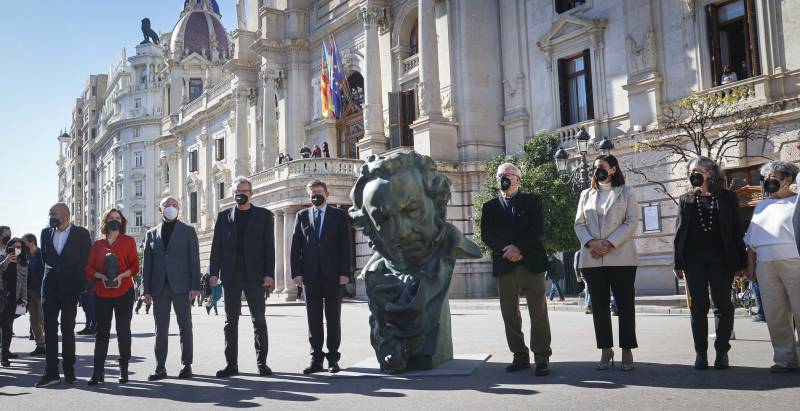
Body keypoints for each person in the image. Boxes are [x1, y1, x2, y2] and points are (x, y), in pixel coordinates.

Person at [673, 156, 747, 370]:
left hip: (721, 259)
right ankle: (701, 354)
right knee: (698, 306)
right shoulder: (686, 199)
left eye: (697, 170)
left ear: (710, 173)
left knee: (723, 304)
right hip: (693, 260)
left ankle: (722, 351)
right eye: (690, 171)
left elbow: (736, 230)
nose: (693, 174)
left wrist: (741, 262)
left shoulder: (727, 198)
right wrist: (677, 262)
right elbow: (680, 232)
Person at [480, 163, 552, 376]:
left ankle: (542, 358)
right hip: (505, 266)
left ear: (518, 180)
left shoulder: (533, 201)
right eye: (500, 175)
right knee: (509, 314)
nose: (503, 178)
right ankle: (519, 356)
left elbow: (537, 230)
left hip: (531, 263)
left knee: (538, 312)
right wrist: (507, 250)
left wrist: (518, 248)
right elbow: (487, 235)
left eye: (508, 175)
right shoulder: (490, 207)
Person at [574, 155, 640, 371]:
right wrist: (592, 243)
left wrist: (609, 244)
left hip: (621, 258)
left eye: (601, 167)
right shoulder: (586, 194)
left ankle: (627, 350)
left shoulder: (627, 192)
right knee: (599, 307)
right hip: (592, 260)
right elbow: (579, 224)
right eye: (594, 168)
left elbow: (631, 223)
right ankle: (605, 349)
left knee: (625, 305)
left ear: (613, 169)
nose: (597, 171)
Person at [209, 176, 275, 378]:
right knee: (231, 322)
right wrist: (213, 272)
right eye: (237, 191)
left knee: (259, 320)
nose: (240, 194)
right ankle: (231, 365)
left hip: (255, 276)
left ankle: (262, 364)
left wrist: (269, 274)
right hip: (231, 276)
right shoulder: (223, 216)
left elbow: (268, 247)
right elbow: (216, 247)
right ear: (233, 194)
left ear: (251, 193)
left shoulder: (264, 216)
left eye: (244, 191)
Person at [743, 161, 800, 373]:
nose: (768, 180)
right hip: (765, 263)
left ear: (788, 179)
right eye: (765, 177)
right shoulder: (761, 205)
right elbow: (751, 242)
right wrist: (751, 267)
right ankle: (785, 360)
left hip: (794, 260)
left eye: (773, 176)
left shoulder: (798, 202)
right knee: (775, 313)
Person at [291, 180, 352, 374]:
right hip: (310, 277)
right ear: (308, 197)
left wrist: (345, 273)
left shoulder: (339, 216)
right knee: (313, 319)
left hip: (334, 276)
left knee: (333, 318)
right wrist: (296, 273)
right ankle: (316, 358)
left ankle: (333, 359)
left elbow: (345, 246)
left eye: (319, 192)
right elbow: (295, 248)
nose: (315, 195)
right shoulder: (301, 216)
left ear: (327, 193)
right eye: (312, 193)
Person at [142, 196, 201, 381]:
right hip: (159, 288)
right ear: (160, 210)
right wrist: (146, 290)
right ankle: (160, 367)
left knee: (185, 326)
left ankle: (186, 365)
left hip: (182, 287)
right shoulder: (151, 233)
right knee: (161, 328)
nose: (171, 207)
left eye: (174, 205)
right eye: (167, 205)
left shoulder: (188, 231)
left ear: (179, 209)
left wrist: (195, 286)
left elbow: (194, 260)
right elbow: (147, 264)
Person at [37, 203, 92, 387]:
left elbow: (86, 260)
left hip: (71, 289)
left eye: (53, 213)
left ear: (65, 215)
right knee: (50, 331)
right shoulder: (45, 233)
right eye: (50, 213)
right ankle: (51, 373)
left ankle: (70, 371)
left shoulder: (82, 234)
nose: (50, 216)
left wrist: (82, 285)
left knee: (68, 330)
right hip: (50, 288)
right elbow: (46, 259)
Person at [85, 208, 139, 385]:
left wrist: (121, 276)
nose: (114, 221)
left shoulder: (128, 241)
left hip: (124, 291)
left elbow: (135, 266)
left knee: (123, 331)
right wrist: (101, 277)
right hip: (102, 292)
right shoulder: (98, 245)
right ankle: (97, 372)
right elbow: (89, 269)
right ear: (105, 221)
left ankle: (124, 369)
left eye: (117, 218)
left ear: (121, 221)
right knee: (102, 333)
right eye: (111, 218)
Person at [1, 237, 28, 367]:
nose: (16, 250)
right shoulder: (2, 259)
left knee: (7, 329)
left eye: (19, 247)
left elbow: (24, 283)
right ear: (8, 248)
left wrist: (24, 298)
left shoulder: (23, 263)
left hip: (12, 299)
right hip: (1, 298)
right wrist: (5, 263)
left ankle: (4, 355)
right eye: (14, 247)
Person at [23, 233, 46, 356]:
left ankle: (49, 344)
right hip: (30, 292)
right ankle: (40, 345)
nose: (22, 245)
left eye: (24, 242)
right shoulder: (24, 256)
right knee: (34, 320)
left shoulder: (42, 254)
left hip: (42, 292)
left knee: (43, 319)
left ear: (31, 242)